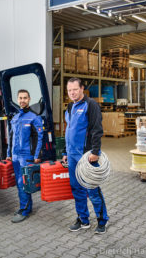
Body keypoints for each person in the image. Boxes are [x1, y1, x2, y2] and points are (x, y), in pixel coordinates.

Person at [63, 78, 108, 234]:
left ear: (82, 89)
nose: (72, 93)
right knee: (76, 188)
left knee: (92, 188)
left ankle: (102, 221)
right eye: (69, 90)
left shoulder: (91, 105)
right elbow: (68, 131)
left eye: (75, 89)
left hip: (86, 156)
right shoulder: (69, 107)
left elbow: (97, 129)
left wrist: (95, 152)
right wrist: (65, 152)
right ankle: (83, 219)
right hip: (72, 155)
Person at [6, 89, 43, 223]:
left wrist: (37, 154)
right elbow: (10, 137)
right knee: (19, 183)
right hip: (15, 156)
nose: (22, 100)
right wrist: (9, 154)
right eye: (20, 98)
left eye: (25, 98)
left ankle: (24, 209)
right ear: (18, 99)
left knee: (24, 182)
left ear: (29, 99)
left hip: (26, 156)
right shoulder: (15, 118)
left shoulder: (34, 117)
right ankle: (26, 206)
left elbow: (39, 137)